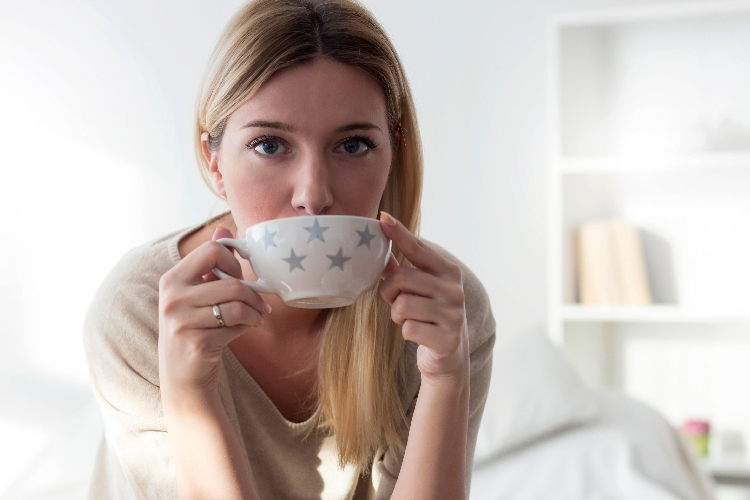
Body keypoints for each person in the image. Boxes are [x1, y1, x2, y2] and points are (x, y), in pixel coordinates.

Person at [83, 0, 496, 499]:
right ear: (214, 161)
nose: (313, 194)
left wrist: (445, 379)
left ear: (392, 152)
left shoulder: (443, 314)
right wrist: (192, 395)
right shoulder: (141, 311)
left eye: (352, 146)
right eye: (270, 145)